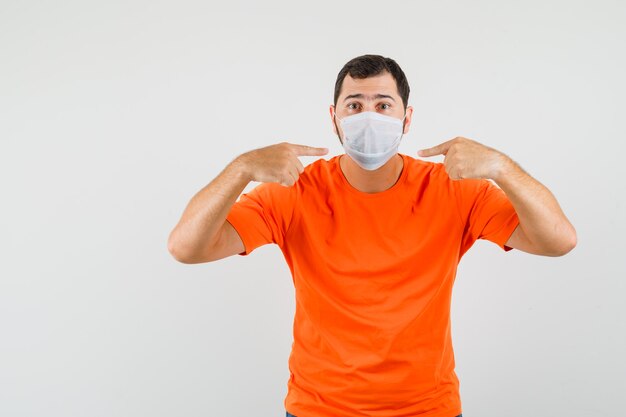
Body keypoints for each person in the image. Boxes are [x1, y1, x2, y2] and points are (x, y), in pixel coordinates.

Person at [167, 54, 577, 417]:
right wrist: (241, 168)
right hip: (318, 409)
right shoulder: (293, 191)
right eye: (355, 105)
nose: (369, 116)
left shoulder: (453, 189)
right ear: (334, 119)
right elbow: (186, 247)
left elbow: (558, 240)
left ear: (406, 118)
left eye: (383, 105)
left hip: (428, 409)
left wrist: (501, 167)